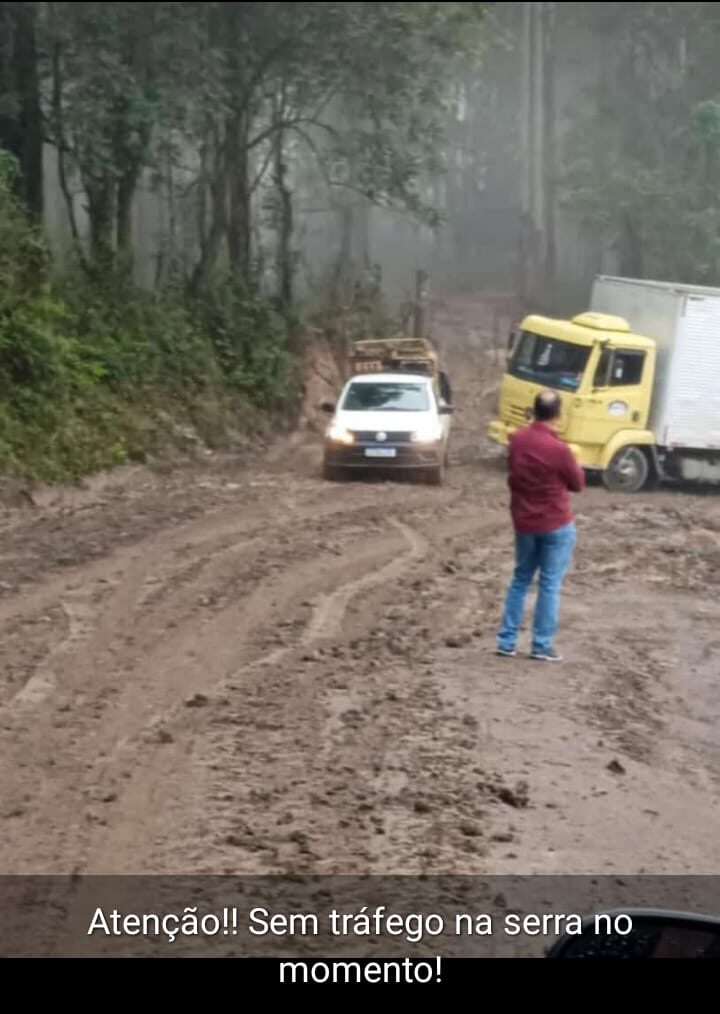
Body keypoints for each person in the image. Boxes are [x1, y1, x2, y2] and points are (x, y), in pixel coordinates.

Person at [497, 390, 585, 663]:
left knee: (520, 578)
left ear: (533, 410)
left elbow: (513, 473)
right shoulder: (560, 449)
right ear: (558, 415)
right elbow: (578, 484)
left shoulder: (517, 440)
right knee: (549, 584)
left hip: (524, 522)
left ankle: (507, 641)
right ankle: (541, 645)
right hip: (556, 522)